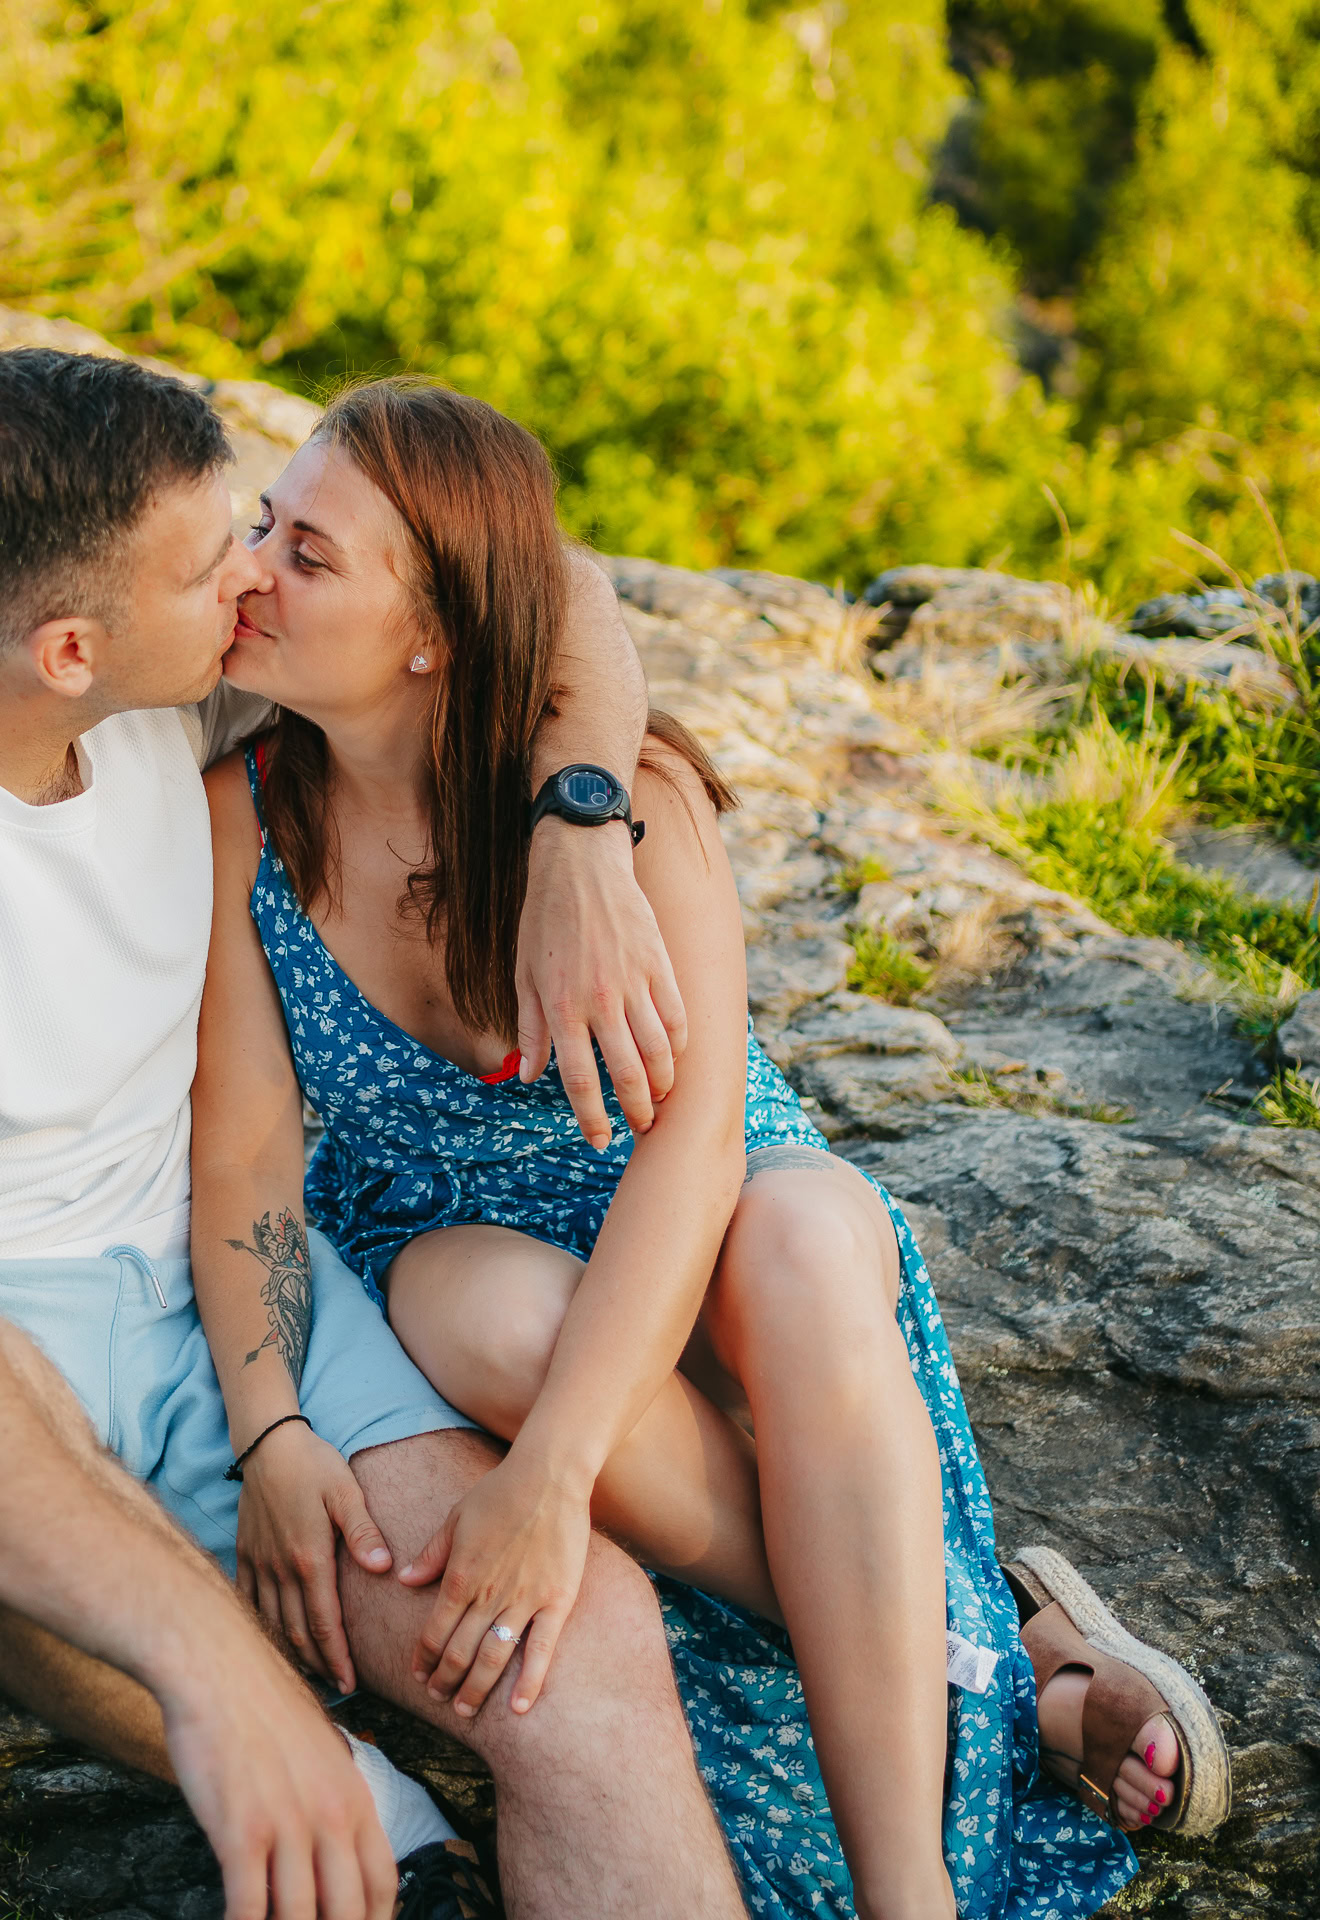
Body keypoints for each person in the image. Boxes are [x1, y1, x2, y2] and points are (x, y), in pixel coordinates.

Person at [0, 346, 753, 1920]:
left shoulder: (153, 681)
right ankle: (354, 1796)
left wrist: (579, 813)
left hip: (223, 1296)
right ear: (70, 647)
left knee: (575, 1655)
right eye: (222, 560)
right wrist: (226, 1677)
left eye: (263, 532)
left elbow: (542, 579)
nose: (257, 577)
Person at [192, 377, 1231, 1920]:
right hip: (478, 1246)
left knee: (806, 1240)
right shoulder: (244, 810)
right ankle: (992, 1652)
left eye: (310, 552)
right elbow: (249, 1156)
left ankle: (912, 1900)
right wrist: (272, 1427)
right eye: (266, 521)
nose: (254, 566)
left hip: (720, 1219)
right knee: (460, 1310)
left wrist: (547, 1483)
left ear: (437, 635)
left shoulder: (634, 805)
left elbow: (696, 1151)